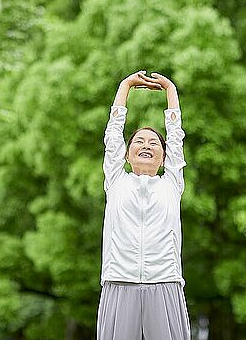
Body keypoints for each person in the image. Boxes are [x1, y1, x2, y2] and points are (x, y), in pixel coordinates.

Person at [96, 70, 191, 340]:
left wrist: (171, 91)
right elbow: (112, 136)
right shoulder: (116, 180)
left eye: (153, 142)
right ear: (126, 155)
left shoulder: (171, 183)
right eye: (139, 141)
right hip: (119, 281)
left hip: (165, 283)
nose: (146, 145)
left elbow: (176, 136)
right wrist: (125, 86)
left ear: (164, 158)